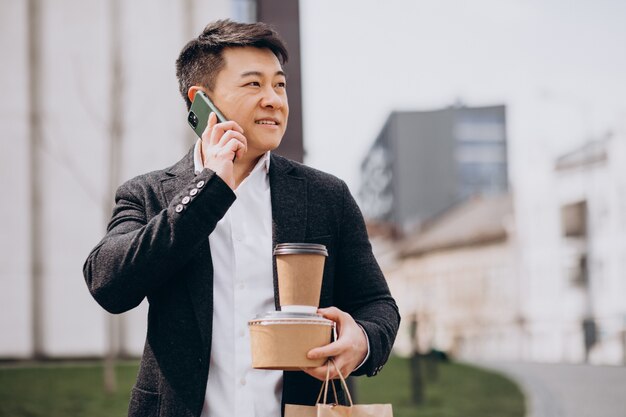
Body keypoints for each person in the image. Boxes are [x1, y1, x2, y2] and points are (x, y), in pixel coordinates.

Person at [83, 19, 399, 417]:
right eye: (254, 84)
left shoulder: (326, 196)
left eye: (279, 85)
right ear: (202, 101)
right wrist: (209, 188)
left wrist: (363, 341)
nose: (274, 100)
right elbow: (108, 285)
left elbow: (377, 304)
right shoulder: (148, 194)